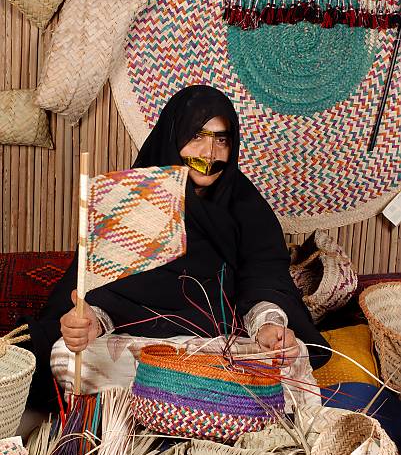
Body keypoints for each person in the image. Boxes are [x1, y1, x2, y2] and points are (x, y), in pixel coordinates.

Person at [23, 85, 330, 412]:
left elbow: (265, 279)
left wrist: (269, 327)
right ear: (173, 136)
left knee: (292, 361)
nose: (210, 153)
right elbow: (102, 294)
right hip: (141, 352)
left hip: (219, 351)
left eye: (221, 139)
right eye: (197, 136)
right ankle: (206, 406)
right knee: (67, 357)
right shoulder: (135, 202)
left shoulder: (246, 206)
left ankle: (180, 405)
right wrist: (89, 323)